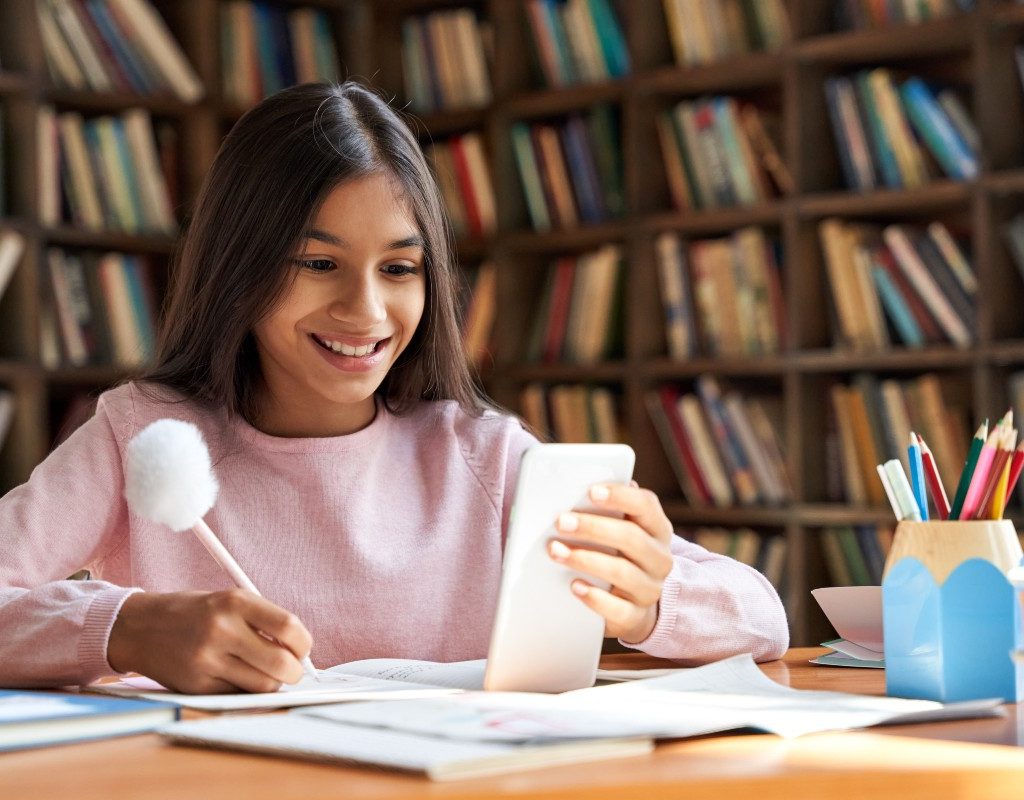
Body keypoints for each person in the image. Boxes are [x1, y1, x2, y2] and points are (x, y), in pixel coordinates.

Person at [0, 82, 787, 693]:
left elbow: (763, 618)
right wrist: (127, 628)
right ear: (237, 264)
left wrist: (649, 601)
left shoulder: (482, 455)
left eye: (400, 269)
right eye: (319, 264)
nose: (366, 311)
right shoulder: (142, 433)